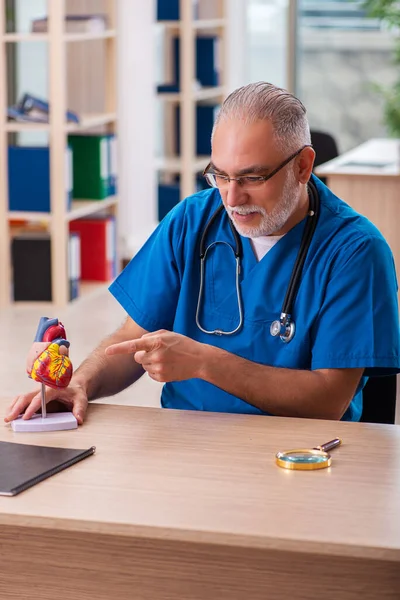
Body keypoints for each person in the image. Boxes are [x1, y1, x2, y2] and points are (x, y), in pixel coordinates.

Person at [5, 82, 400, 426]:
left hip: (299, 456)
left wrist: (205, 362)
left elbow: (328, 401)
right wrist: (80, 384)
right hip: (186, 443)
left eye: (251, 178)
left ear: (303, 165)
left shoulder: (355, 251)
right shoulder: (193, 220)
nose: (231, 197)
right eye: (220, 175)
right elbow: (133, 337)